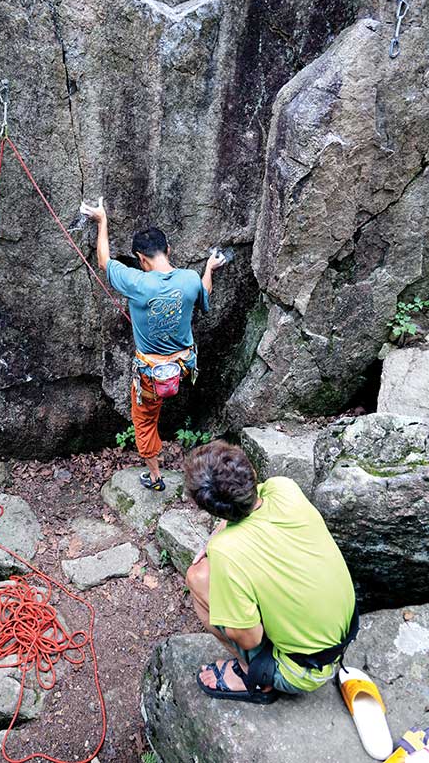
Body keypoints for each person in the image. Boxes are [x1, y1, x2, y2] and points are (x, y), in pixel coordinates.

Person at [184, 440, 357, 703]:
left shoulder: (227, 552)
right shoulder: (284, 488)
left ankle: (252, 676)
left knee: (197, 577)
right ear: (252, 473)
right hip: (342, 635)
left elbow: (250, 639)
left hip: (300, 672)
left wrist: (215, 543)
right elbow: (248, 504)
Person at [83, 199, 224, 491]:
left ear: (140, 258)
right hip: (183, 367)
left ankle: (156, 478)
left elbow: (104, 262)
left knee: (145, 422)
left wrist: (102, 221)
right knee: (153, 407)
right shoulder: (189, 279)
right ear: (168, 250)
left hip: (151, 375)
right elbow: (203, 294)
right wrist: (209, 268)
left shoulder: (136, 282)